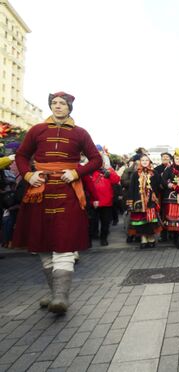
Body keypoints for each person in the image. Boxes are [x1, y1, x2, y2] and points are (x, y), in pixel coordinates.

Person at [12, 92, 102, 314]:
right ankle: (55, 295)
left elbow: (96, 159)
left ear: (70, 107)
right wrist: (28, 176)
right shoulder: (36, 130)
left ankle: (61, 297)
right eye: (54, 103)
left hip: (68, 192)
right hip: (39, 191)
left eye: (63, 103)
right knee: (42, 243)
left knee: (65, 241)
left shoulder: (81, 133)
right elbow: (21, 156)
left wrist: (76, 172)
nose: (58, 106)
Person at [83, 156, 120, 246]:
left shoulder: (108, 170)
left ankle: (104, 238)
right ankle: (89, 240)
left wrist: (109, 173)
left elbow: (116, 180)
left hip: (106, 201)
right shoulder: (89, 171)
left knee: (105, 222)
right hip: (92, 201)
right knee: (91, 222)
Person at [126, 154, 162, 248]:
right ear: (140, 162)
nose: (145, 162)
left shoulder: (154, 173)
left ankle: (151, 238)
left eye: (147, 160)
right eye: (143, 160)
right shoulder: (135, 174)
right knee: (141, 221)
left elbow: (159, 186)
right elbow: (132, 188)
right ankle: (143, 238)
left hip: (151, 201)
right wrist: (131, 202)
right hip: (139, 201)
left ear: (149, 162)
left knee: (150, 221)